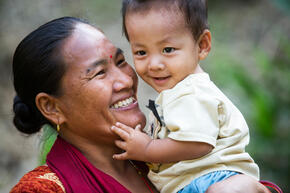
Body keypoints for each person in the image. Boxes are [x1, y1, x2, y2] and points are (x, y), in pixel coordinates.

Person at [10, 17, 270, 193]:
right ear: (51, 107)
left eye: (121, 62)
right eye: (99, 73)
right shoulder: (44, 189)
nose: (126, 79)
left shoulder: (163, 153)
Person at [110, 0, 261, 193]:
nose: (154, 64)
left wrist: (147, 148)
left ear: (202, 45)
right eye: (141, 52)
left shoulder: (192, 92)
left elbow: (198, 144)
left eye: (168, 50)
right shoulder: (176, 93)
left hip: (214, 177)